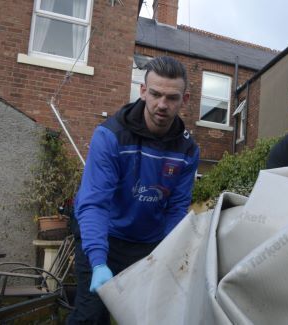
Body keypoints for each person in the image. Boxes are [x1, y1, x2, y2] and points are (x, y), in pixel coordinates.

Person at [68, 56, 199, 324]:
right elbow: (94, 203)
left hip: (147, 243)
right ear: (142, 91)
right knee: (91, 314)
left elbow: (176, 209)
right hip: (105, 235)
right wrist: (97, 261)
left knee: (151, 317)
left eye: (172, 98)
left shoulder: (188, 150)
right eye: (155, 94)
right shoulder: (110, 136)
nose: (162, 105)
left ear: (184, 100)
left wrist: (168, 256)